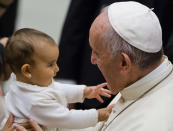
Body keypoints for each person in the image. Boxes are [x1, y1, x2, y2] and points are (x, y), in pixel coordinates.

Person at [4, 28, 114, 131]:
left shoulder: (24, 81)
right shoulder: (35, 102)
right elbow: (68, 119)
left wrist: (84, 92)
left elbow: (56, 88)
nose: (57, 68)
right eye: (50, 64)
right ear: (27, 70)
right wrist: (98, 115)